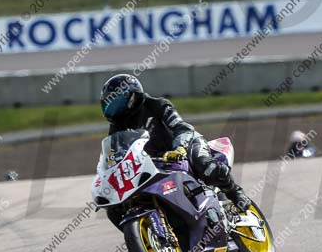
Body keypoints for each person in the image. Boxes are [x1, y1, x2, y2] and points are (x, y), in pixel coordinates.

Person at [97, 74, 252, 218]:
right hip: (154, 163)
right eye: (109, 105)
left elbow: (181, 127)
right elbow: (116, 156)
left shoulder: (157, 105)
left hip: (185, 145)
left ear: (132, 97)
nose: (113, 110)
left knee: (206, 166)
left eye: (116, 104)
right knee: (117, 206)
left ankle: (235, 193)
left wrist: (180, 148)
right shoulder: (117, 128)